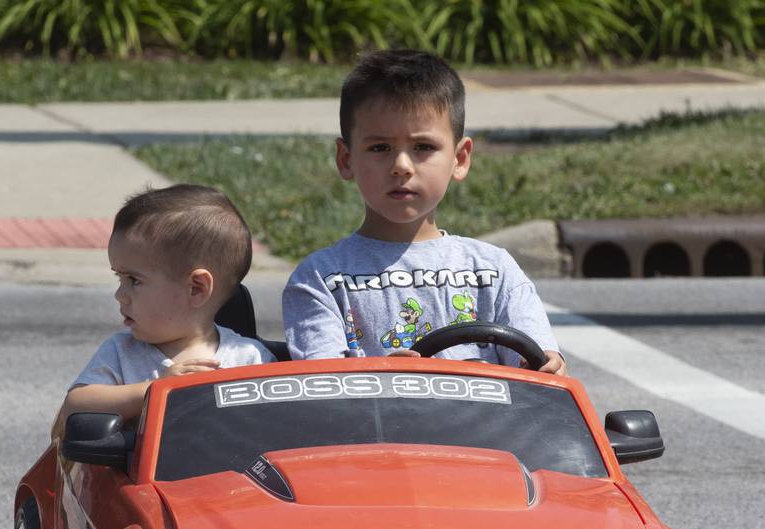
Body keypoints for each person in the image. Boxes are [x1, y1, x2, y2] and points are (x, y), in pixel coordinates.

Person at [282, 49, 566, 374]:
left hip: (484, 424)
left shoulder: (495, 271)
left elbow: (540, 372)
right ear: (346, 160)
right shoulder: (319, 279)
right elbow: (323, 387)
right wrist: (380, 373)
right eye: (380, 148)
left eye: (423, 148)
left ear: (459, 159)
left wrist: (549, 366)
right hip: (371, 424)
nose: (401, 166)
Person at [57, 184, 274, 431]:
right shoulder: (122, 352)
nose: (120, 295)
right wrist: (154, 392)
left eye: (134, 280)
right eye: (120, 279)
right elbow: (75, 405)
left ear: (196, 288)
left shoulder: (250, 359)